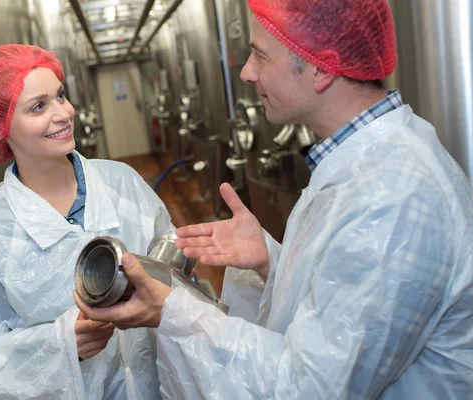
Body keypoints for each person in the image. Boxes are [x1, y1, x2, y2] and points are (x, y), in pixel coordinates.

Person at [74, 0, 473, 398]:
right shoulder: (361, 166)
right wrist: (270, 261)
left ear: (321, 68)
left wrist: (175, 313)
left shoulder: (392, 196)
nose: (246, 72)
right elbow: (341, 303)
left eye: (261, 56)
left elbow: (311, 386)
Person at [0, 44, 173, 399]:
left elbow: (170, 268)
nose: (64, 113)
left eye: (60, 96)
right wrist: (60, 346)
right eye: (39, 106)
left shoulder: (121, 183)